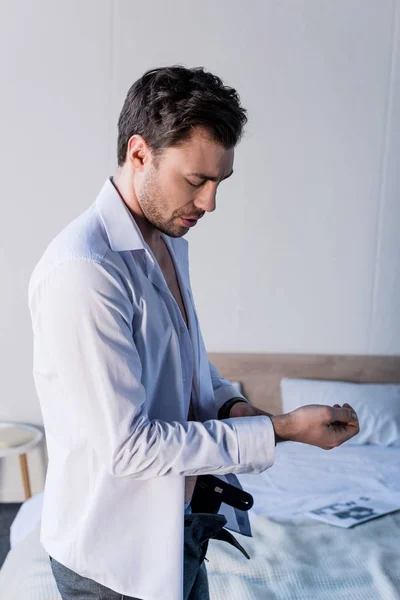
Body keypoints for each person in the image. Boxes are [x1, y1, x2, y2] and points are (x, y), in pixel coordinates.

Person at [28, 65, 360, 600]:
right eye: (195, 180)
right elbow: (131, 448)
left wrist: (232, 407)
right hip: (113, 564)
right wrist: (280, 429)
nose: (209, 203)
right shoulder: (85, 271)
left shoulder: (167, 238)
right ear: (140, 154)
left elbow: (183, 363)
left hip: (176, 533)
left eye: (219, 182)